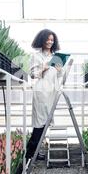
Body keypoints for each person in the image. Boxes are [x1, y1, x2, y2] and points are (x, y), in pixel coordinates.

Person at [26, 29, 64, 160]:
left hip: (52, 92)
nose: (50, 41)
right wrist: (44, 67)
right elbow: (32, 74)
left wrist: (59, 70)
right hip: (41, 92)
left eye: (52, 40)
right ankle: (31, 152)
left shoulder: (56, 57)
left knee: (46, 122)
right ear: (42, 40)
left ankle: (33, 151)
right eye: (48, 39)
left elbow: (59, 75)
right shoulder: (36, 56)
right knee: (39, 123)